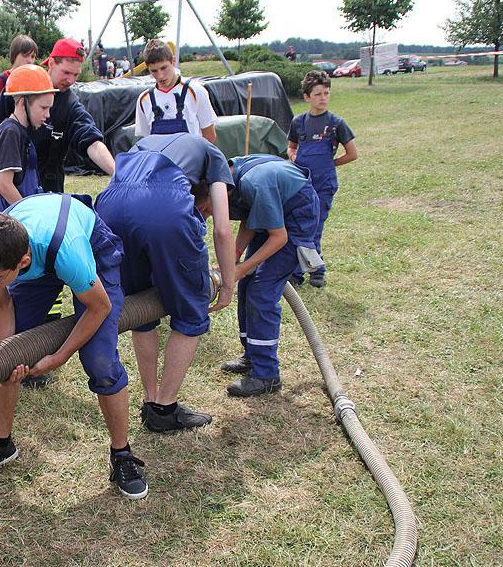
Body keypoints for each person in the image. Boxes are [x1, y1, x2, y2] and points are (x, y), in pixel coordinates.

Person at [0, 194, 148, 500]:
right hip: (37, 248)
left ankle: (122, 454)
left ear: (23, 262)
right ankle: (1, 444)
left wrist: (60, 356)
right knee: (4, 362)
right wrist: (6, 356)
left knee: (100, 361)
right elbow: (1, 304)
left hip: (86, 242)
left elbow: (99, 307)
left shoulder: (69, 252)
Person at [95, 133, 235, 432]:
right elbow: (222, 230)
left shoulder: (148, 142)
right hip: (164, 208)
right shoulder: (215, 156)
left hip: (110, 207)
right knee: (191, 311)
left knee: (140, 308)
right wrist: (227, 285)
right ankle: (165, 407)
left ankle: (149, 399)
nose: (205, 214)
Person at [219, 155, 322, 397]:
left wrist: (242, 267)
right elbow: (252, 217)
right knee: (247, 285)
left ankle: (266, 375)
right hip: (276, 214)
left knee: (261, 290)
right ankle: (252, 356)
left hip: (294, 219)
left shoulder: (256, 183)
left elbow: (279, 237)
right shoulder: (233, 176)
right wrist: (234, 258)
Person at [0, 38, 115, 196]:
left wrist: (116, 174)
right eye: (66, 72)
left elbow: (92, 142)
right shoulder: (21, 85)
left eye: (76, 75)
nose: (71, 80)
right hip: (13, 184)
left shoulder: (70, 105)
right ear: (51, 63)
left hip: (49, 186)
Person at [287, 70, 358, 287]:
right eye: (318, 94)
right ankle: (295, 272)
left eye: (326, 93)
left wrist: (330, 164)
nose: (323, 98)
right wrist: (293, 157)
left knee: (314, 228)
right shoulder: (299, 122)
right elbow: (291, 148)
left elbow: (352, 154)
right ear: (307, 97)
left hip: (324, 185)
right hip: (301, 184)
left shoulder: (337, 124)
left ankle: (317, 270)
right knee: (298, 227)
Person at [0, 64, 57, 213]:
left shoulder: (23, 131)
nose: (48, 114)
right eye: (43, 108)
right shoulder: (10, 132)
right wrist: (30, 214)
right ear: (21, 103)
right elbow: (5, 185)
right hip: (11, 220)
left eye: (49, 108)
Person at [134, 39, 218, 143]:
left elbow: (210, 136)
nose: (160, 76)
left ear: (173, 61)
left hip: (192, 157)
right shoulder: (144, 100)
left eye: (164, 68)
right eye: (154, 71)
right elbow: (147, 140)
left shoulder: (196, 91)